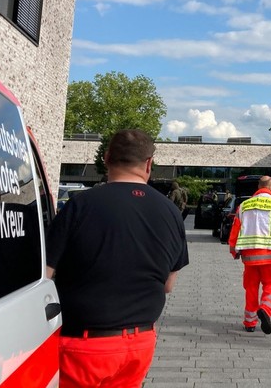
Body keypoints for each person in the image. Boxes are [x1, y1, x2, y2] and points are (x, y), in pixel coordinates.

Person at [46, 129, 189, 387]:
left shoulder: (80, 205)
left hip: (84, 345)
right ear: (148, 163)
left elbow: (44, 275)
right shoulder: (171, 212)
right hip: (139, 345)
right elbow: (167, 285)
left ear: (107, 157)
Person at [228, 176, 271, 333]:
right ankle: (265, 308)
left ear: (258, 187)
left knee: (251, 287)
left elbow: (235, 229)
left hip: (249, 256)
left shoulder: (244, 205)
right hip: (270, 255)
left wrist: (234, 250)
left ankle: (249, 322)